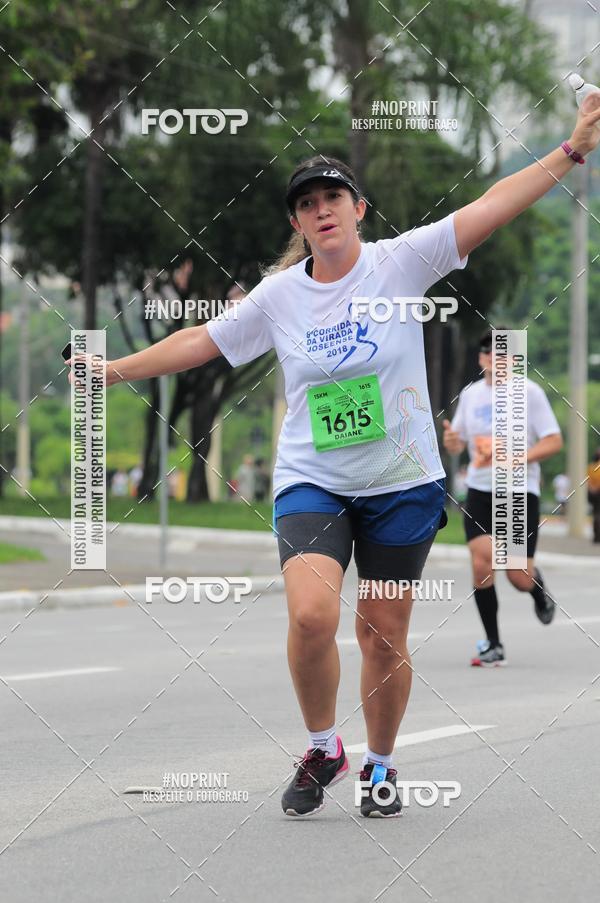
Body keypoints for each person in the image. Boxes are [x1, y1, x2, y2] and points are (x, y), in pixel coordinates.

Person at [67, 97, 600, 819]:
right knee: (313, 616)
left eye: (333, 199)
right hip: (312, 478)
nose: (322, 211)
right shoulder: (280, 296)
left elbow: (491, 205)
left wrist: (571, 149)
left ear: (359, 209)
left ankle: (380, 764)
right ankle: (324, 746)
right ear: (297, 223)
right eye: (307, 204)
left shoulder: (400, 263)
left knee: (381, 633)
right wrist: (112, 370)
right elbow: (202, 342)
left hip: (402, 483)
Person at [443, 329, 563, 667]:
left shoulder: (530, 392)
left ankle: (537, 590)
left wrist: (519, 457)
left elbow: (553, 440)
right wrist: (453, 442)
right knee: (482, 563)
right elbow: (459, 442)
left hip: (519, 491)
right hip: (480, 489)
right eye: (487, 351)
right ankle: (493, 644)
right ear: (480, 358)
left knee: (518, 576)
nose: (493, 358)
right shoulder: (471, 395)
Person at [588, 448, 600, 543]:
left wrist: (593, 488)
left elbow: (588, 480)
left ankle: (596, 536)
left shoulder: (591, 467)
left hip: (593, 494)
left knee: (596, 514)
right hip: (597, 492)